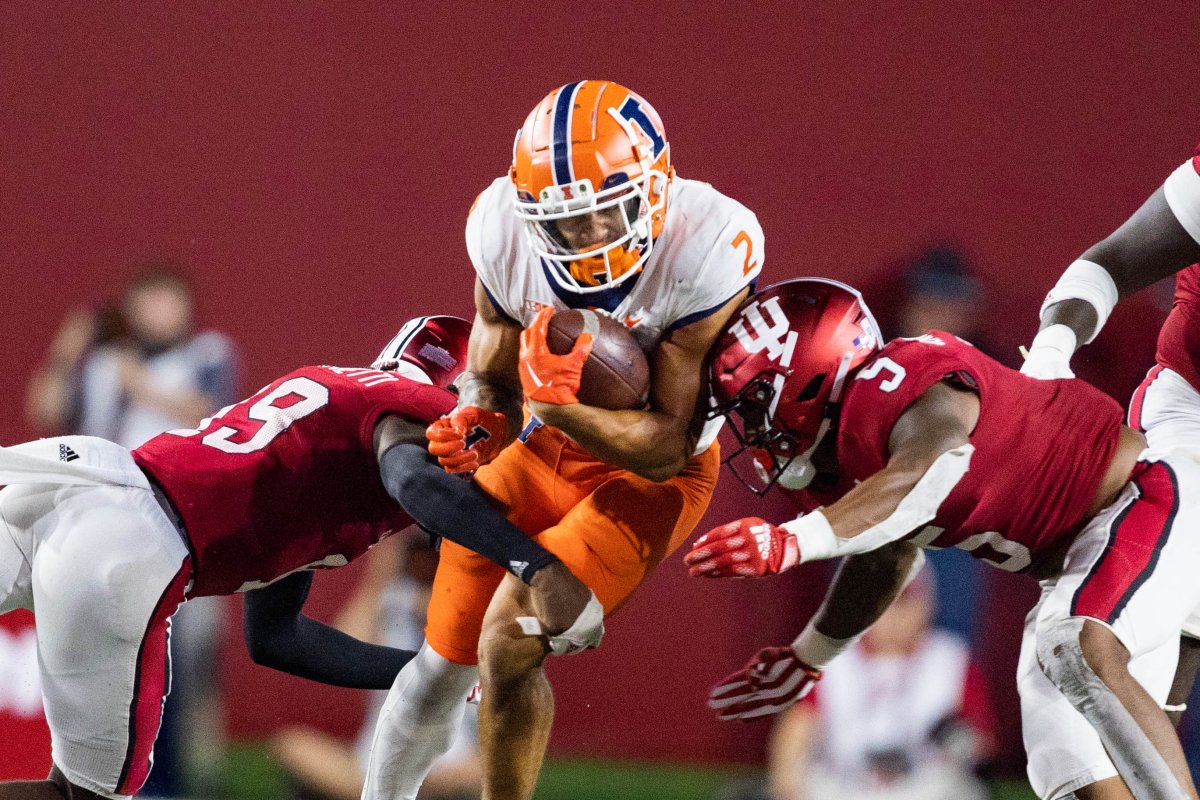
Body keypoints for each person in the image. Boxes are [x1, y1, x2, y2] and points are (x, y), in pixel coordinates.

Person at [0, 316, 599, 800]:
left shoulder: (330, 442)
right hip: (131, 546)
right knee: (82, 795)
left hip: (74, 485)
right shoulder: (412, 412)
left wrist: (427, 674)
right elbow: (417, 484)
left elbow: (275, 638)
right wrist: (537, 566)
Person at [363, 80, 763, 800]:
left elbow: (670, 443)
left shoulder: (710, 246)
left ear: (656, 186)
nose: (585, 241)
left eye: (604, 214)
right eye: (564, 223)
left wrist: (558, 405)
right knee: (438, 664)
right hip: (544, 446)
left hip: (652, 476)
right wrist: (476, 427)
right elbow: (491, 383)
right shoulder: (499, 229)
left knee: (508, 642)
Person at [685, 278, 1200, 800]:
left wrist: (791, 542)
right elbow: (886, 554)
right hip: (1103, 551)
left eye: (754, 402)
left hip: (1152, 499)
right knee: (1066, 759)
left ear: (810, 374)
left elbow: (931, 464)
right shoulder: (838, 460)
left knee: (1077, 646)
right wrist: (811, 655)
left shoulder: (903, 379)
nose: (747, 425)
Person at [25, 261, 239, 795]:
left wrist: (140, 385)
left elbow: (213, 414)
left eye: (169, 298)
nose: (160, 310)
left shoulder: (206, 353)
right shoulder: (101, 362)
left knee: (187, 666)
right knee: (115, 661)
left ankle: (194, 781)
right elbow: (46, 410)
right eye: (149, 298)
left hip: (186, 525)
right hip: (105, 531)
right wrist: (67, 350)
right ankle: (117, 780)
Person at [271, 534, 481, 800]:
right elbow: (337, 656)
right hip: (370, 763)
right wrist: (376, 581)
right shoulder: (392, 602)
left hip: (448, 766)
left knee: (480, 770)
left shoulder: (473, 609)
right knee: (293, 745)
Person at [765, 567, 994, 800]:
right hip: (847, 787)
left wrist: (962, 741)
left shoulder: (951, 659)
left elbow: (982, 745)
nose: (894, 616)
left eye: (904, 602)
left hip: (922, 788)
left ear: (925, 603)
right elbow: (797, 727)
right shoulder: (831, 663)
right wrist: (786, 783)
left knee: (961, 788)